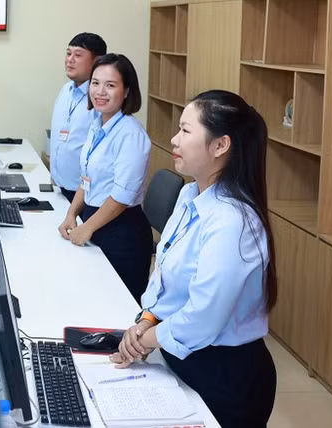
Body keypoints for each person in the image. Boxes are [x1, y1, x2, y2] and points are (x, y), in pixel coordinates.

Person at [112, 90, 277, 428]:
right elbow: (164, 278)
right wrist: (147, 320)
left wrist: (143, 341)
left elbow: (204, 315)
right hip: (182, 356)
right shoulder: (190, 194)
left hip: (226, 377)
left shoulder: (232, 221)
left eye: (186, 131)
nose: (175, 139)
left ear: (220, 146)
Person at [58, 53, 152, 302]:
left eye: (110, 85)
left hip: (122, 233)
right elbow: (86, 178)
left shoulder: (131, 135)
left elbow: (121, 196)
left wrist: (87, 227)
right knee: (91, 300)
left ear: (127, 91)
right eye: (95, 83)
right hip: (95, 221)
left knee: (114, 309)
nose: (100, 91)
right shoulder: (98, 124)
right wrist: (71, 214)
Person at [50, 33, 107, 202]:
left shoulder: (100, 98)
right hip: (60, 187)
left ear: (98, 61)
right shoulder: (65, 90)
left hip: (86, 194)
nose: (70, 60)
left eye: (78, 55)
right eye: (68, 53)